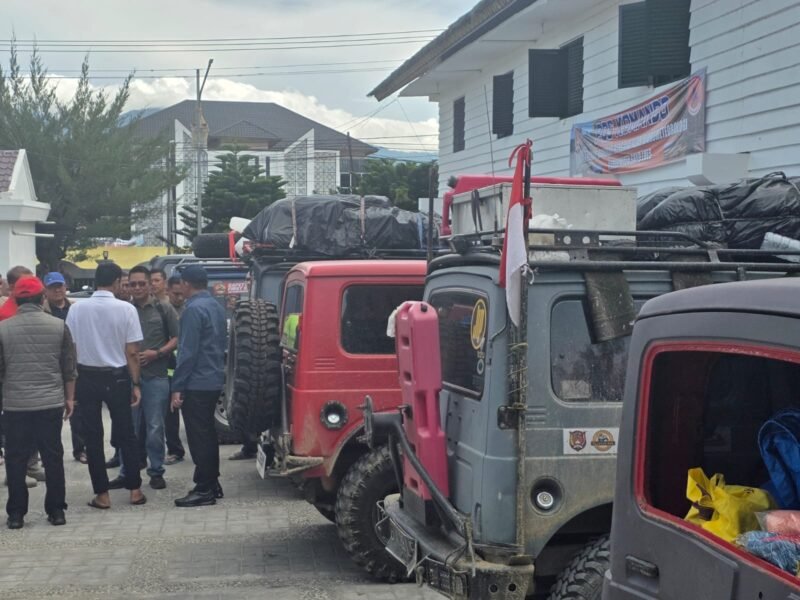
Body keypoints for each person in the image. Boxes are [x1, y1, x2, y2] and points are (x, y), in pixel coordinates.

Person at [66, 262, 147, 509]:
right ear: (116, 282)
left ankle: (102, 495)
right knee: (126, 434)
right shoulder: (127, 309)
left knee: (92, 437)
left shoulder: (77, 309)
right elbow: (132, 352)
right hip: (118, 377)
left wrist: (72, 385)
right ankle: (135, 490)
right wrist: (136, 383)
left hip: (86, 377)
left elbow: (72, 350)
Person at [0, 276, 77, 529]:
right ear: (42, 297)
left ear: (16, 299)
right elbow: (68, 367)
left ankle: (16, 514)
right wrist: (69, 398)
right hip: (50, 402)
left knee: (16, 458)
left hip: (16, 404)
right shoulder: (58, 326)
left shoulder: (3, 329)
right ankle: (56, 510)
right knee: (53, 456)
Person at [111, 266, 178, 491]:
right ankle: (126, 472)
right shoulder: (123, 310)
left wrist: (156, 353)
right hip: (128, 379)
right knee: (127, 428)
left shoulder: (164, 308)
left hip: (156, 377)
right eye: (133, 284)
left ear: (150, 284)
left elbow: (177, 338)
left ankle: (156, 471)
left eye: (142, 283)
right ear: (127, 286)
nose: (137, 288)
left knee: (155, 427)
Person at [170, 265, 226, 507]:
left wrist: (177, 386)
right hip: (213, 378)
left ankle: (204, 488)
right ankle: (212, 482)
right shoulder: (215, 305)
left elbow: (187, 352)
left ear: (186, 284)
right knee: (208, 434)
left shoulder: (192, 310)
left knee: (199, 438)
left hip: (197, 381)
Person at [0, 266, 46, 488]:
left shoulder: (36, 308)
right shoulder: (6, 313)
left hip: (36, 376)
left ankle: (31, 465)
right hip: (14, 380)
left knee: (36, 427)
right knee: (16, 432)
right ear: (12, 286)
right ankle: (15, 472)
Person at [43, 272, 85, 464]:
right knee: (50, 414)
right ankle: (49, 454)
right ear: (45, 290)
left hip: (74, 364)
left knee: (76, 409)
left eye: (60, 286)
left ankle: (80, 449)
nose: (57, 290)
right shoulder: (42, 311)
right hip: (51, 366)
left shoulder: (75, 309)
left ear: (65, 286)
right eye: (52, 287)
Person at [164, 275, 186, 465]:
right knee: (170, 414)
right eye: (176, 294)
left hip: (187, 370)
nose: (180, 297)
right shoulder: (163, 310)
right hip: (170, 371)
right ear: (168, 291)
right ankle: (175, 450)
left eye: (182, 294)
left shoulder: (189, 310)